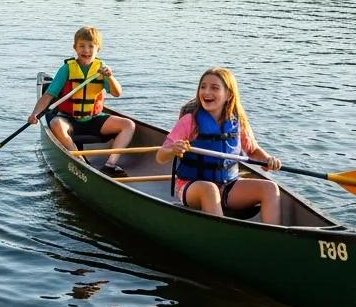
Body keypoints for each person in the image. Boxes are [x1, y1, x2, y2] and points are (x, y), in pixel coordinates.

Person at [155, 68, 282, 224]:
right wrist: (173, 150)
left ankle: (273, 237)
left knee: (270, 188)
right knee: (210, 189)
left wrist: (268, 160)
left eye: (214, 87)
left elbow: (253, 150)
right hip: (192, 186)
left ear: (228, 95)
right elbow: (160, 156)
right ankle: (220, 237)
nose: (206, 92)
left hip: (228, 185)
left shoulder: (237, 122)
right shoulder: (190, 121)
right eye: (203, 87)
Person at [27, 26, 135, 176]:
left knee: (128, 125)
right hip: (69, 119)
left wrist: (110, 77)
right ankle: (79, 160)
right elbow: (48, 96)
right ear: (75, 48)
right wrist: (35, 114)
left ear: (98, 49)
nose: (86, 50)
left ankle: (110, 164)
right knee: (55, 123)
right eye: (82, 46)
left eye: (91, 46)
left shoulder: (102, 70)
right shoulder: (67, 69)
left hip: (93, 119)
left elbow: (117, 93)